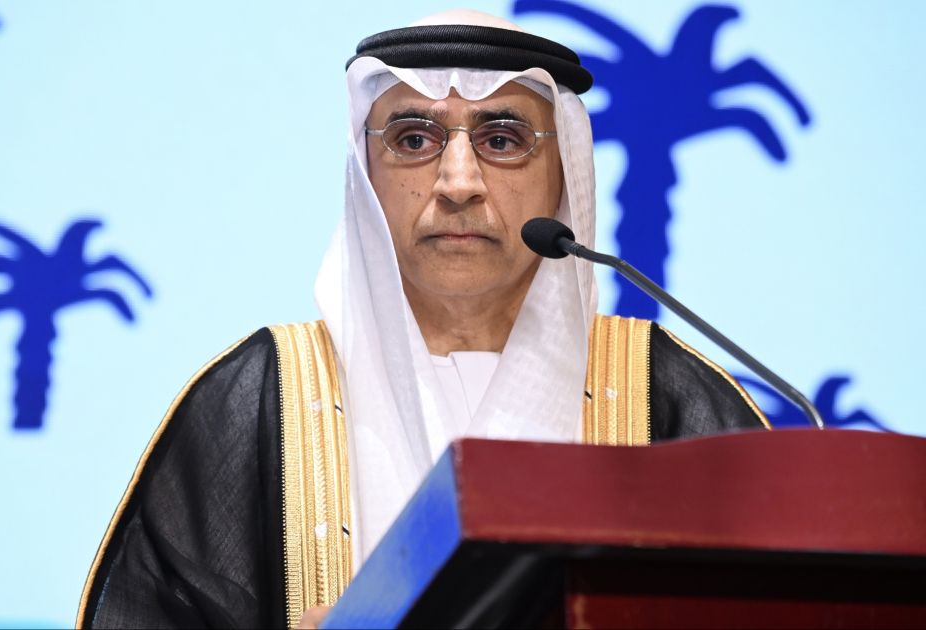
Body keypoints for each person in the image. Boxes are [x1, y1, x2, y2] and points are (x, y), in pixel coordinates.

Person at [76, 10, 768, 629]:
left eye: (503, 140)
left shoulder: (667, 399)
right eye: (413, 140)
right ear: (365, 174)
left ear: (565, 174)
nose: (458, 182)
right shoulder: (256, 400)